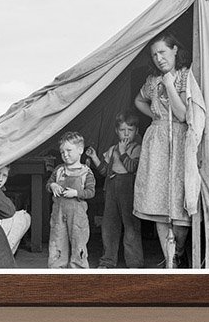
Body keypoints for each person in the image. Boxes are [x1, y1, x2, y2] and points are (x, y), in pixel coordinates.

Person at [133, 32, 198, 267]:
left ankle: (179, 252)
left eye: (162, 52)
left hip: (180, 140)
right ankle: (169, 261)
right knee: (158, 203)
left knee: (179, 206)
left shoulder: (184, 76)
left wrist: (169, 84)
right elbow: (138, 101)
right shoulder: (151, 81)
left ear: (175, 50)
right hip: (157, 142)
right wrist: (157, 116)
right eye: (154, 54)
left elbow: (182, 114)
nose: (158, 58)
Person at [85, 110, 144, 269]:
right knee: (109, 225)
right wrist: (95, 158)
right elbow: (104, 171)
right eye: (122, 130)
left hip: (128, 187)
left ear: (136, 132)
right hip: (111, 187)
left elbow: (131, 167)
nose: (126, 134)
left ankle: (135, 263)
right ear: (116, 131)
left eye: (130, 130)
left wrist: (123, 152)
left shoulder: (137, 148)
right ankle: (108, 261)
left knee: (131, 226)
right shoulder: (112, 149)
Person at [47, 131, 96, 269]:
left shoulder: (86, 172)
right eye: (62, 152)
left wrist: (76, 193)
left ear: (80, 150)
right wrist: (53, 185)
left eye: (69, 150)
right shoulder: (59, 170)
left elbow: (91, 192)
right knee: (57, 243)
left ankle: (78, 271)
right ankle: (56, 271)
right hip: (58, 216)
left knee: (78, 244)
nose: (65, 155)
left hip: (78, 219)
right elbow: (48, 184)